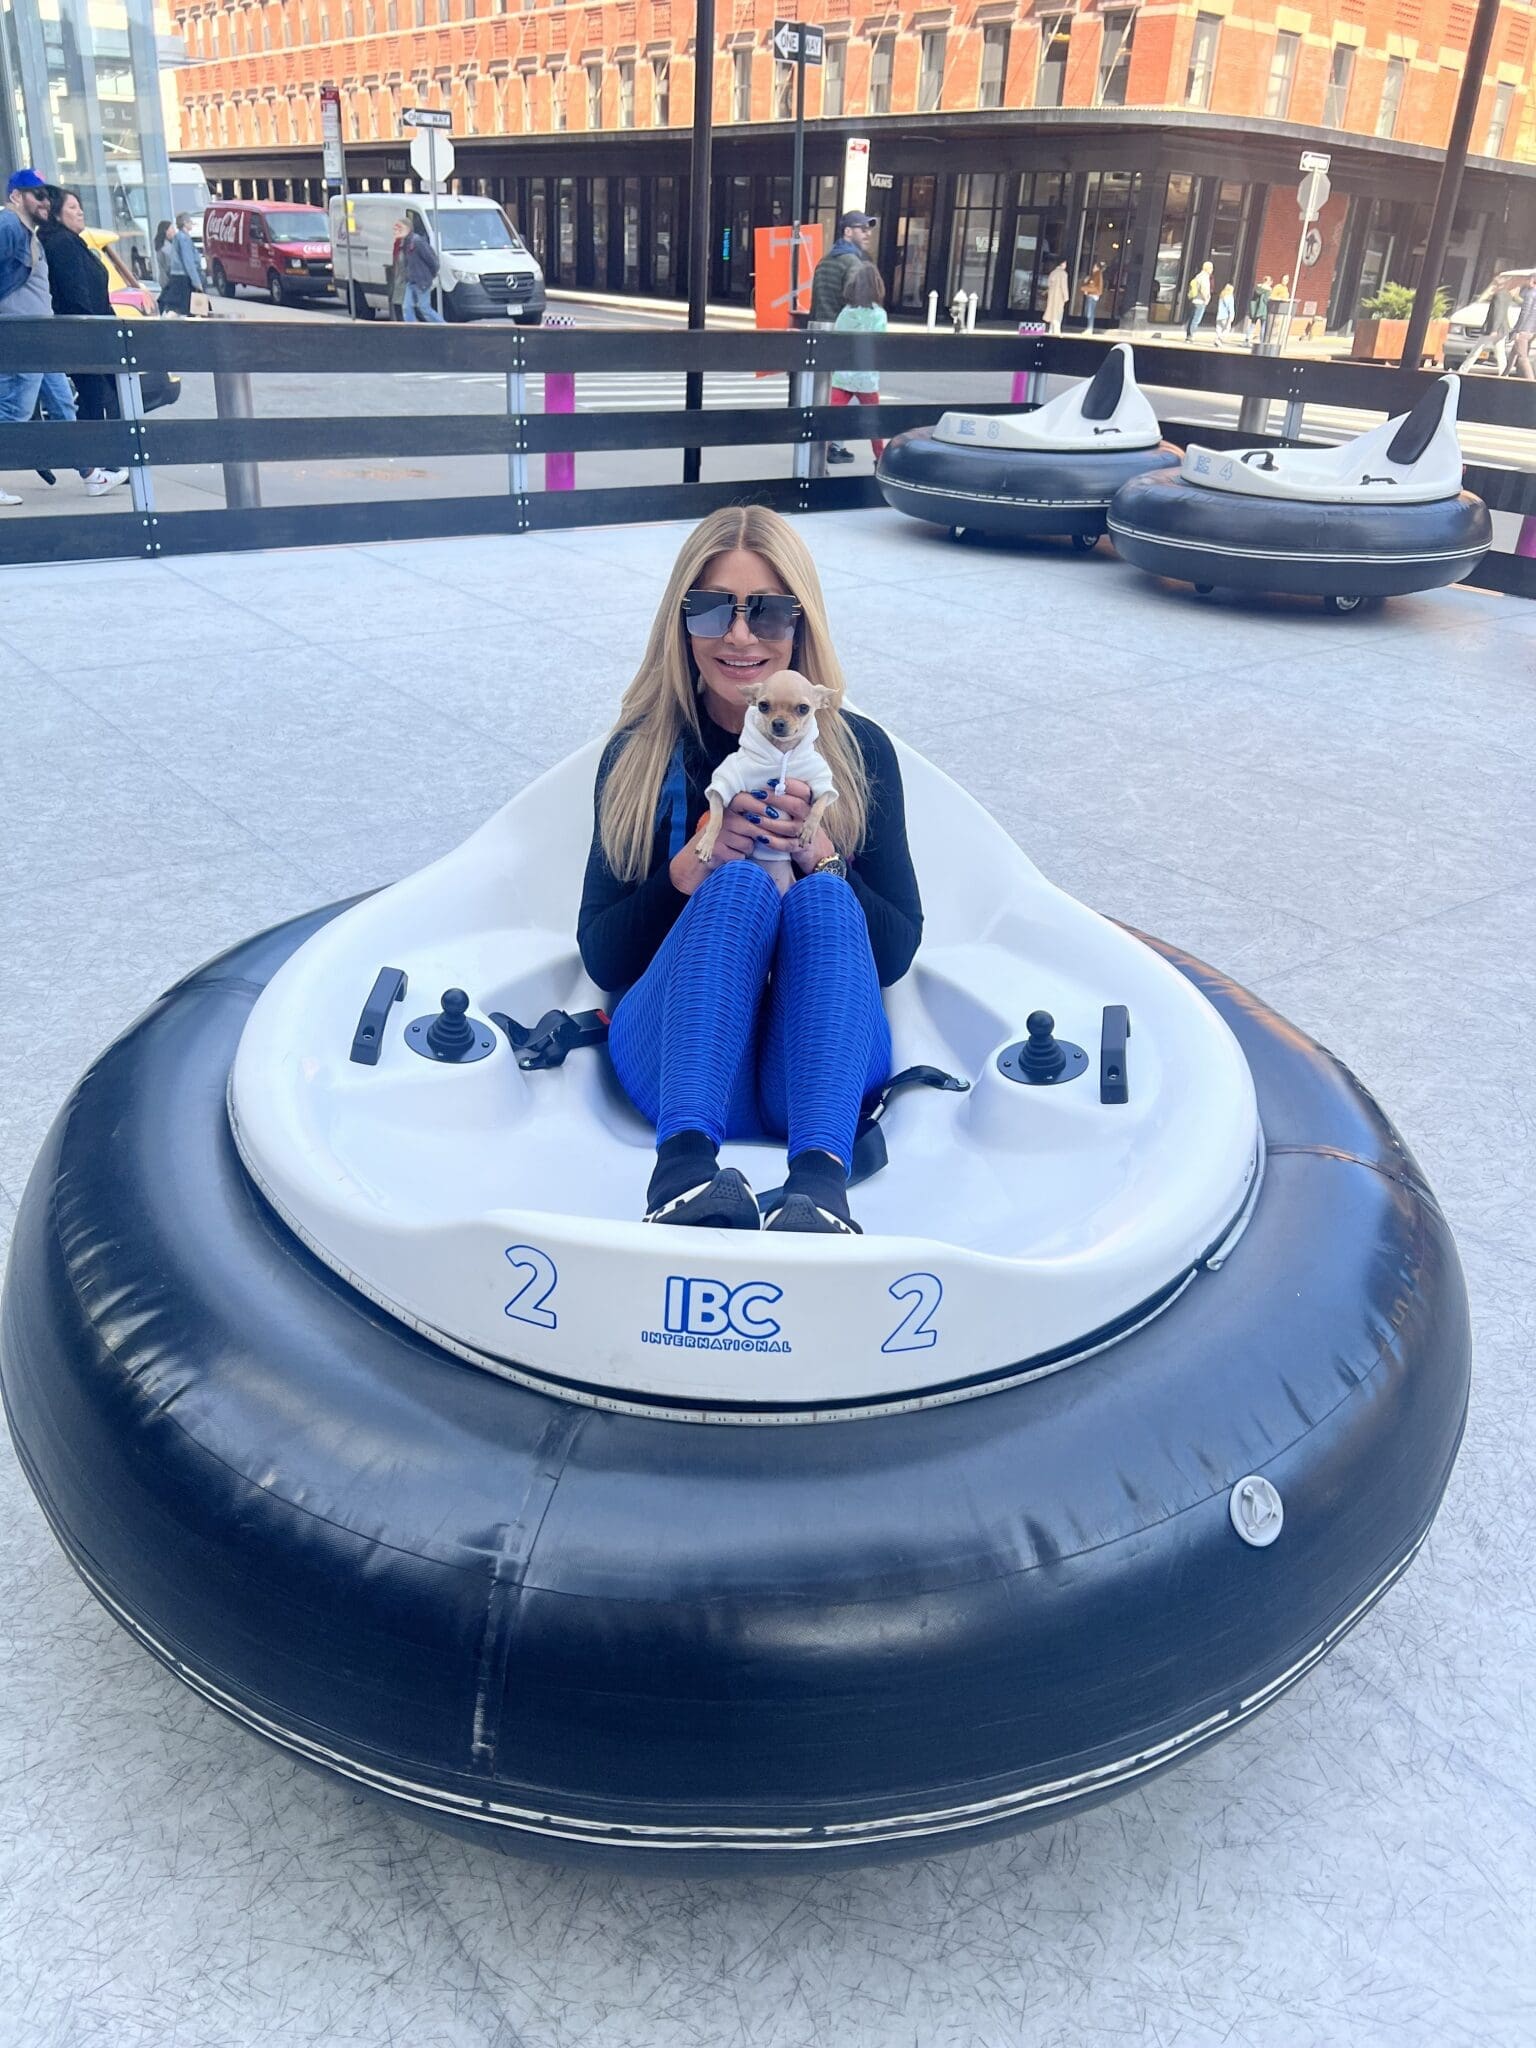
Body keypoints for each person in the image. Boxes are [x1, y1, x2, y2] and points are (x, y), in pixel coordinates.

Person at [578, 505, 922, 1235]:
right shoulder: (639, 757)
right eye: (709, 610)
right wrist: (692, 869)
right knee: (734, 884)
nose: (737, 635)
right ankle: (680, 1179)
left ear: (803, 624)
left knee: (825, 903)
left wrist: (817, 854)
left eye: (766, 612)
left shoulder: (858, 755)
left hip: (816, 1078)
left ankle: (820, 1191)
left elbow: (893, 957)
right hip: (682, 1068)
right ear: (680, 623)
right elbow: (602, 956)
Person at [0, 170, 123, 508]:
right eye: (35, 194)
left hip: (41, 335)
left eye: (46, 196)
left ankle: (90, 475)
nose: (44, 201)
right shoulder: (9, 227)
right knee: (14, 410)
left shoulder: (28, 233)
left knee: (62, 404)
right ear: (15, 196)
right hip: (24, 335)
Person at [36, 185, 129, 496]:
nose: (80, 211)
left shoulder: (72, 242)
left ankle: (104, 465)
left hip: (94, 332)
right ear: (58, 213)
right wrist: (93, 331)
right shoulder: (62, 244)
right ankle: (99, 468)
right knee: (92, 399)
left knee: (95, 399)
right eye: (73, 207)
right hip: (86, 336)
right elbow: (77, 295)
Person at [811, 211, 876, 463]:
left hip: (821, 332)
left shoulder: (826, 260)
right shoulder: (853, 263)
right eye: (862, 229)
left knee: (828, 393)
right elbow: (856, 300)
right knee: (845, 392)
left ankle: (827, 444)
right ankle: (834, 445)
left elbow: (816, 299)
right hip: (842, 335)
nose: (867, 233)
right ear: (848, 231)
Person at [829, 262, 888, 462]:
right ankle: (879, 457)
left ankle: (829, 449)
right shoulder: (878, 314)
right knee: (874, 420)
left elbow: (837, 338)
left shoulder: (846, 312)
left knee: (832, 415)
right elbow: (881, 344)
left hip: (842, 374)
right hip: (866, 377)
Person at [1464, 281, 1516, 376]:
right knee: (1500, 353)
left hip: (1494, 329)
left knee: (1477, 349)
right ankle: (1504, 374)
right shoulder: (1507, 294)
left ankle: (1463, 370)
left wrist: (1494, 329)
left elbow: (1498, 313)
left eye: (1494, 285)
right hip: (1502, 328)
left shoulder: (1499, 295)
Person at [399, 214, 445, 323]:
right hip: (411, 281)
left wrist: (429, 275)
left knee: (424, 308)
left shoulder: (417, 241)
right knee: (407, 307)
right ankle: (412, 329)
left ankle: (443, 326)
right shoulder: (405, 242)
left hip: (421, 281)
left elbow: (432, 260)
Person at [158, 212, 205, 314]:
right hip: (184, 277)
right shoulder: (184, 238)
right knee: (189, 308)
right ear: (185, 223)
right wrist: (197, 282)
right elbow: (188, 261)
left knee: (176, 305)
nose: (191, 224)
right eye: (190, 222)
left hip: (177, 275)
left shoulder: (178, 237)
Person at [1512, 282, 1536, 381]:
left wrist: (1518, 329)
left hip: (1525, 328)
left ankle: (1530, 380)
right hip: (1533, 329)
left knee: (1522, 356)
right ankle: (1504, 374)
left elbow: (1524, 312)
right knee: (1514, 352)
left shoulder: (1531, 293)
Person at [1185, 260, 1213, 341]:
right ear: (1208, 268)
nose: (1212, 270)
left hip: (1194, 300)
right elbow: (1203, 289)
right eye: (1211, 268)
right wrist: (1206, 299)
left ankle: (1188, 335)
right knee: (1196, 319)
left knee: (1192, 318)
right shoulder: (1205, 277)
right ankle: (1191, 335)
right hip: (1200, 301)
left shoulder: (1198, 276)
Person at [1044, 259, 1069, 335]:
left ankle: (1051, 330)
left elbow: (1048, 284)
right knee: (1058, 312)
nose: (1066, 265)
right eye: (1065, 263)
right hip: (1059, 296)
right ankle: (1057, 331)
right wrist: (1066, 297)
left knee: (1052, 312)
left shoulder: (1053, 272)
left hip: (1052, 295)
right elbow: (1064, 286)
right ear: (1062, 264)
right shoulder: (1063, 274)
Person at [1248, 274, 1273, 346]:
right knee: (1263, 326)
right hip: (1263, 310)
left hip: (1256, 309)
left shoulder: (1257, 287)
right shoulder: (1268, 290)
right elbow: (1266, 300)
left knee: (1252, 325)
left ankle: (1247, 339)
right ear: (1269, 282)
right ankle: (1261, 342)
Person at [1080, 261, 1104, 335]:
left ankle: (1089, 328)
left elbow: (1092, 285)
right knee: (1090, 312)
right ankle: (1089, 328)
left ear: (1097, 267)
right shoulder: (1096, 275)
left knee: (1090, 312)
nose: (1093, 268)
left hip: (1092, 295)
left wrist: (1084, 288)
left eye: (1094, 267)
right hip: (1093, 295)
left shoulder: (1097, 275)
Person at [1214, 279, 1235, 344]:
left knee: (1219, 328)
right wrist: (1232, 316)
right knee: (1227, 329)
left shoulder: (1222, 295)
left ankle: (1217, 340)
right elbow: (1230, 308)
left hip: (1219, 315)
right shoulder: (1230, 297)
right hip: (1226, 316)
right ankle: (1219, 339)